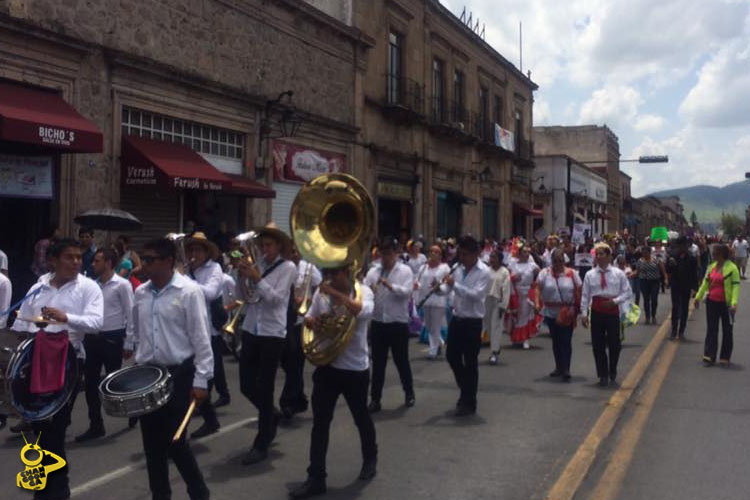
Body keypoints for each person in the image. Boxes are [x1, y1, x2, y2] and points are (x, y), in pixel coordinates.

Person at [12, 238, 104, 500]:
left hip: (69, 361)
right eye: (69, 257)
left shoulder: (88, 287)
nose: (76, 262)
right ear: (52, 260)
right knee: (39, 430)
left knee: (56, 427)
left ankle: (56, 492)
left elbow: (96, 323)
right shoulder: (38, 287)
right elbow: (21, 323)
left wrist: (67, 318)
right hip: (34, 360)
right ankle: (46, 490)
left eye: (78, 257)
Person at [125, 238, 212, 500]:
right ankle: (160, 495)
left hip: (179, 374)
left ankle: (199, 492)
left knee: (175, 441)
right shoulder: (140, 293)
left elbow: (201, 339)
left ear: (169, 261)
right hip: (148, 376)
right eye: (144, 258)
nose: (144, 265)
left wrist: (202, 380)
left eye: (150, 260)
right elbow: (140, 333)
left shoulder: (189, 291)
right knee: (151, 444)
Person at [289, 265, 378, 499]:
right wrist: (312, 322)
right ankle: (316, 477)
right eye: (329, 274)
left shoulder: (364, 291)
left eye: (337, 273)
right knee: (320, 424)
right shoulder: (322, 293)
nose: (331, 278)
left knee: (361, 417)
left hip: (355, 369)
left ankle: (370, 458)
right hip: (328, 367)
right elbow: (310, 315)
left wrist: (336, 294)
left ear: (347, 273)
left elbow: (362, 311)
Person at [236, 222, 297, 465]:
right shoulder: (258, 264)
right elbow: (245, 298)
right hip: (252, 328)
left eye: (269, 245)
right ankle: (270, 413)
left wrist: (256, 277)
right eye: (262, 245)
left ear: (279, 246)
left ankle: (262, 442)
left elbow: (277, 298)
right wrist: (241, 276)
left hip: (273, 333)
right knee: (245, 384)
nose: (264, 249)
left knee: (266, 386)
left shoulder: (288, 267)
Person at [76, 248, 134, 442]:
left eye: (97, 261)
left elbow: (130, 314)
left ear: (108, 263)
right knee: (91, 383)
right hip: (92, 338)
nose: (93, 264)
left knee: (115, 382)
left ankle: (134, 409)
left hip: (113, 337)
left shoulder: (122, 285)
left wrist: (129, 342)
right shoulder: (92, 286)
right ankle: (96, 424)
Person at [181, 232, 226, 438]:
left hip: (209, 331)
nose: (194, 253)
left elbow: (210, 293)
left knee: (202, 378)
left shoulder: (214, 269)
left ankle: (181, 430)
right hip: (188, 330)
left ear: (207, 252)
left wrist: (183, 280)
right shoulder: (189, 270)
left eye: (198, 249)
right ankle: (211, 420)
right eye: (191, 249)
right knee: (195, 379)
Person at [364, 237, 415, 413]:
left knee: (401, 361)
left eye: (388, 254)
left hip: (397, 323)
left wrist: (391, 286)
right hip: (379, 322)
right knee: (378, 364)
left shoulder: (405, 271)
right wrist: (368, 291)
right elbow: (364, 290)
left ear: (396, 253)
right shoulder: (373, 271)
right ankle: (375, 399)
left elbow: (407, 292)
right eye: (382, 254)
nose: (385, 258)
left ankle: (409, 392)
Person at [443, 236, 490, 416]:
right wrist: (439, 288)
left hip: (472, 322)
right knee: (452, 356)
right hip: (457, 319)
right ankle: (466, 391)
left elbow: (476, 295)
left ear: (475, 254)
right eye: (460, 253)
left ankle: (469, 401)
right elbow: (448, 291)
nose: (461, 257)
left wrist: (454, 285)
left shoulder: (484, 272)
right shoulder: (458, 269)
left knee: (470, 362)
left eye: (465, 254)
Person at [581, 244, 631, 387]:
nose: (599, 256)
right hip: (597, 310)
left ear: (609, 257)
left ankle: (612, 369)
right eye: (597, 254)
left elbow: (627, 292)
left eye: (602, 254)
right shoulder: (589, 275)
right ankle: (602, 374)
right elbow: (585, 295)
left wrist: (615, 302)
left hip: (613, 311)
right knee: (598, 344)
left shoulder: (618, 274)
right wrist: (584, 313)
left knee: (615, 344)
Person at [280, 246, 322, 420]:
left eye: (297, 251)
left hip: (302, 322)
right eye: (292, 251)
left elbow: (321, 286)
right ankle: (298, 398)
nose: (295, 254)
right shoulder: (284, 268)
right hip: (285, 320)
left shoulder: (309, 268)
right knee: (289, 363)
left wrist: (310, 299)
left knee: (296, 361)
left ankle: (288, 401)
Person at [536, 249, 582, 382]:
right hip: (550, 313)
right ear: (551, 261)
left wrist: (576, 308)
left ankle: (566, 368)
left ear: (564, 260)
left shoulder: (572, 273)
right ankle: (559, 367)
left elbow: (579, 290)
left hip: (567, 312)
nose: (558, 264)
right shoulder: (544, 273)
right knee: (556, 341)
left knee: (566, 341)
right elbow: (537, 288)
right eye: (555, 261)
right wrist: (538, 303)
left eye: (560, 261)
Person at [695, 243, 741, 366]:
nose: (713, 254)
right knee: (711, 329)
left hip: (726, 305)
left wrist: (734, 303)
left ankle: (725, 357)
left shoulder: (732, 268)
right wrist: (697, 297)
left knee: (727, 330)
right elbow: (705, 283)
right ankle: (709, 356)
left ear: (721, 254)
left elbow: (736, 286)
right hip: (712, 303)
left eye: (715, 252)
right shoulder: (711, 267)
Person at [413, 244, 451, 360]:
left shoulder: (444, 268)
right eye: (431, 251)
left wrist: (440, 288)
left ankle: (433, 351)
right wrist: (417, 285)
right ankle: (439, 343)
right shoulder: (423, 268)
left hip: (438, 301)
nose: (433, 254)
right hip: (425, 300)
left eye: (436, 252)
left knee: (436, 326)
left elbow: (448, 284)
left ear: (440, 255)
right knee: (429, 326)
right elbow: (418, 281)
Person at [508, 243, 541, 349]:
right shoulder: (512, 264)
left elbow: (541, 276)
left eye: (528, 252)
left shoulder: (532, 265)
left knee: (525, 316)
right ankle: (516, 338)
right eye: (524, 252)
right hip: (515, 293)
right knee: (515, 317)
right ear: (519, 253)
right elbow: (506, 277)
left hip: (527, 293)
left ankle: (526, 339)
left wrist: (535, 287)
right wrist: (512, 277)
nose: (527, 254)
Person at [665, 237, 699, 340]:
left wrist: (695, 289)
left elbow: (694, 274)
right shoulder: (673, 256)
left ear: (686, 246)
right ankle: (674, 331)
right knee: (675, 308)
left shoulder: (692, 258)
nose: (681, 248)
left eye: (683, 246)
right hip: (675, 285)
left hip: (686, 286)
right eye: (679, 246)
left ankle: (681, 331)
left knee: (684, 309)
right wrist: (670, 265)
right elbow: (668, 270)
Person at [485, 250, 510, 365]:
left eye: (494, 257)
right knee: (489, 326)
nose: (491, 259)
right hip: (486, 301)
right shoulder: (486, 271)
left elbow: (506, 290)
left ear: (499, 259)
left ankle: (494, 352)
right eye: (490, 257)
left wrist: (503, 305)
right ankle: (495, 347)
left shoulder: (504, 272)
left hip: (498, 301)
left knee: (496, 326)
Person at [633, 246, 666, 325]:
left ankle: (653, 315)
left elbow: (663, 270)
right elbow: (637, 272)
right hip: (644, 281)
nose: (644, 254)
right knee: (646, 300)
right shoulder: (640, 261)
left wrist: (666, 278)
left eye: (646, 253)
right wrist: (630, 274)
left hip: (654, 281)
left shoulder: (656, 260)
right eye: (643, 253)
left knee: (654, 299)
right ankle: (647, 317)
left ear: (649, 252)